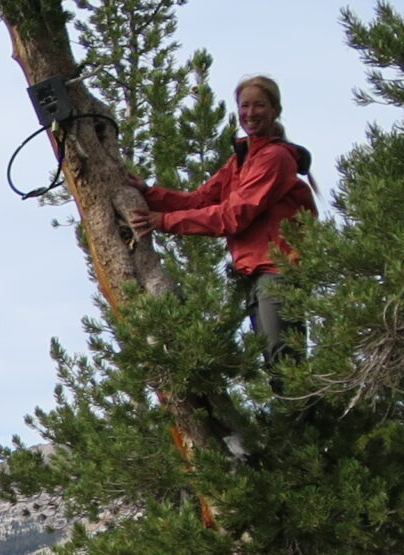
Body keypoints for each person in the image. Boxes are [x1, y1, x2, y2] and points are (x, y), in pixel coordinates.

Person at [132, 75, 317, 369]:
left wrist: (163, 220)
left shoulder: (275, 158)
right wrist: (148, 194)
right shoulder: (240, 161)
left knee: (284, 362)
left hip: (278, 270)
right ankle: (290, 411)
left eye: (259, 105)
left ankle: (302, 413)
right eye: (244, 106)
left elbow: (234, 216)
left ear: (275, 110)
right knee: (269, 359)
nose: (250, 113)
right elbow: (200, 200)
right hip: (254, 273)